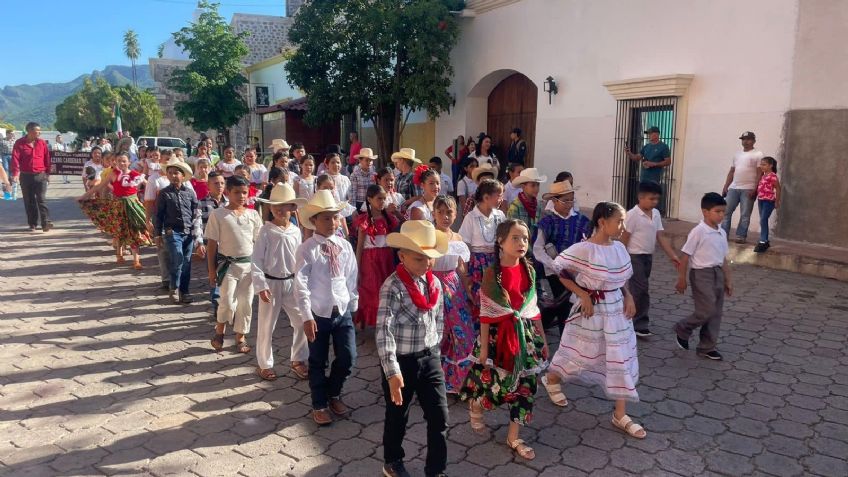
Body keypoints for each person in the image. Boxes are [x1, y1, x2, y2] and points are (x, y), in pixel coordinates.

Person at [546, 202, 644, 439]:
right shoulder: (584, 249)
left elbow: (622, 278)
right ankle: (551, 379)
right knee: (577, 353)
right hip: (591, 311)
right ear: (602, 222)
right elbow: (560, 268)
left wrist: (628, 296)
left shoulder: (619, 248)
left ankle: (620, 414)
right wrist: (582, 294)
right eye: (618, 221)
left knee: (620, 358)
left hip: (617, 312)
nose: (622, 226)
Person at [460, 219, 547, 461]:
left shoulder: (529, 269)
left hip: (525, 336)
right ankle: (478, 405)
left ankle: (514, 436)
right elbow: (487, 313)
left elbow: (532, 306)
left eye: (525, 239)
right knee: (498, 383)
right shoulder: (492, 274)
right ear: (501, 241)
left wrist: (542, 337)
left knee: (527, 386)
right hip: (499, 338)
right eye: (516, 238)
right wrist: (485, 348)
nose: (522, 243)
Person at [377, 220, 449, 477]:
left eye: (430, 258)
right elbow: (383, 331)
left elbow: (438, 319)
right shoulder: (392, 287)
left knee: (439, 417)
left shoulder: (434, 284)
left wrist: (435, 350)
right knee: (398, 415)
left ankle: (436, 470)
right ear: (402, 256)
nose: (427, 264)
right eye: (419, 258)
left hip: (429, 358)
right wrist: (392, 372)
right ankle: (392, 461)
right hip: (402, 362)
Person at [294, 190, 359, 425]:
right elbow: (300, 283)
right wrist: (306, 316)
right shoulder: (307, 249)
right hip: (318, 313)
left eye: (335, 217)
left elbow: (350, 276)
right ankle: (319, 404)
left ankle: (334, 392)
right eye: (326, 218)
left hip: (341, 311)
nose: (332, 223)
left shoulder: (344, 246)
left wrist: (352, 303)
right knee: (317, 361)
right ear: (314, 221)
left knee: (348, 357)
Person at [252, 183, 308, 381]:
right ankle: (265, 364)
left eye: (284, 205)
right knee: (267, 326)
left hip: (292, 283)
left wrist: (303, 282)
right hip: (271, 283)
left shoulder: (295, 230)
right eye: (275, 204)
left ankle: (298, 359)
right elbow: (256, 260)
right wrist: (260, 285)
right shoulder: (266, 231)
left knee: (302, 320)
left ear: (293, 207)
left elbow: (300, 258)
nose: (278, 208)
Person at [206, 175, 262, 354]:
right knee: (228, 301)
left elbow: (259, 243)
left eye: (244, 192)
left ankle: (240, 337)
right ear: (228, 192)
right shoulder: (218, 214)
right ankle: (219, 331)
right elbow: (212, 244)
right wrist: (211, 270)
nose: (241, 196)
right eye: (237, 192)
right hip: (227, 266)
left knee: (245, 303)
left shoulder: (253, 215)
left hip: (248, 267)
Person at [674, 192, 732, 361]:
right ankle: (683, 328)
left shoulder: (721, 232)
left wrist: (729, 279)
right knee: (706, 310)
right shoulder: (698, 232)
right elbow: (685, 256)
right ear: (705, 212)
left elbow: (724, 258)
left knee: (716, 313)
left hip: (718, 273)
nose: (721, 215)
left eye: (723, 212)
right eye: (717, 211)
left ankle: (707, 347)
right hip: (701, 274)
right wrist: (682, 279)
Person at [620, 181, 680, 338]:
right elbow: (624, 237)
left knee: (638, 290)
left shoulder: (656, 214)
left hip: (648, 256)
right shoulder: (632, 215)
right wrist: (620, 258)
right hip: (634, 256)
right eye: (652, 199)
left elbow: (660, 236)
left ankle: (627, 318)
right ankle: (639, 324)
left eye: (657, 199)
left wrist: (672, 255)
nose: (655, 202)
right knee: (641, 289)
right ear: (641, 197)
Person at [533, 181, 592, 332]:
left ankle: (541, 331)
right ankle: (556, 336)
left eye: (571, 199)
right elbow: (538, 249)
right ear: (554, 201)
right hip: (553, 272)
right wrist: (555, 265)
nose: (569, 204)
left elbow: (590, 243)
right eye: (565, 200)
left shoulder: (582, 221)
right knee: (561, 305)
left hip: (575, 271)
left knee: (563, 305)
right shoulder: (546, 222)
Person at [431, 196, 474, 394]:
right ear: (433, 214)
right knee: (440, 333)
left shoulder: (457, 238)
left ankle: (458, 380)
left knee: (462, 332)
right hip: (433, 288)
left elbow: (461, 268)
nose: (445, 216)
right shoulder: (429, 236)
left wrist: (469, 292)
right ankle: (434, 378)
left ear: (455, 215)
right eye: (440, 212)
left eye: (449, 212)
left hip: (454, 290)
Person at [154, 159, 204, 304]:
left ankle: (184, 291)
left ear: (183, 175)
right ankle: (173, 287)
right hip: (172, 231)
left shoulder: (190, 193)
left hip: (188, 232)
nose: (173, 175)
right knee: (178, 256)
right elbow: (159, 215)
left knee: (187, 262)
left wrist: (198, 235)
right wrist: (157, 234)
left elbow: (196, 212)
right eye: (170, 173)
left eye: (176, 173)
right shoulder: (164, 194)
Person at [353, 184, 399, 329]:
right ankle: (368, 320)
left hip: (386, 260)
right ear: (369, 199)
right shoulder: (365, 221)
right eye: (379, 199)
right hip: (370, 261)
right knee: (371, 291)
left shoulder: (389, 219)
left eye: (384, 199)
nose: (382, 202)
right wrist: (357, 268)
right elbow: (360, 246)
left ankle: (385, 322)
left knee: (386, 291)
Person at [458, 178, 505, 318]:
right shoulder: (471, 217)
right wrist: (465, 273)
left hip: (496, 261)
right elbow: (464, 246)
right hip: (478, 264)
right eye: (499, 195)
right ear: (486, 197)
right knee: (480, 300)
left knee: (498, 299)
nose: (501, 199)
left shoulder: (500, 215)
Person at [721, 131, 765, 244]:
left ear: (754, 141)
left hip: (749, 188)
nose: (745, 141)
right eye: (743, 139)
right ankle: (723, 235)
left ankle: (741, 236)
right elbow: (732, 171)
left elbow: (760, 173)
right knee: (726, 211)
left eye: (748, 139)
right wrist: (726, 186)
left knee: (745, 214)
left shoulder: (758, 154)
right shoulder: (737, 154)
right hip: (734, 187)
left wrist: (755, 188)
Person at [11, 122, 52, 232]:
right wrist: (15, 174)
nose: (39, 132)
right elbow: (15, 159)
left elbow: (47, 158)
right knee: (29, 201)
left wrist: (48, 174)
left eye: (40, 131)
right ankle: (32, 224)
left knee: (41, 199)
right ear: (29, 131)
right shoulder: (19, 143)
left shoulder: (42, 143)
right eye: (37, 131)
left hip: (41, 175)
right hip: (25, 176)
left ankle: (46, 223)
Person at [199, 171, 228, 319]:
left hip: (228, 246)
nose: (220, 186)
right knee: (213, 273)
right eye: (216, 183)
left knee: (226, 275)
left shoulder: (230, 203)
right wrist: (198, 243)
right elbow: (197, 224)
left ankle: (227, 304)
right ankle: (217, 304)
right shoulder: (201, 203)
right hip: (210, 245)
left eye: (222, 183)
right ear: (208, 185)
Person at [506, 168, 546, 240]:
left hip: (537, 245)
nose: (536, 188)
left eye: (538, 185)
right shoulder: (515, 206)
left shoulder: (539, 205)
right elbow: (513, 231)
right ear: (523, 186)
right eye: (533, 185)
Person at [754, 156, 780, 253]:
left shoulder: (772, 176)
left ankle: (763, 240)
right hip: (761, 200)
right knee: (763, 220)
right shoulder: (763, 175)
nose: (762, 166)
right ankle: (764, 240)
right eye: (761, 164)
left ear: (770, 166)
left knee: (763, 219)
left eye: (764, 164)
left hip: (768, 201)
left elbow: (778, 188)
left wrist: (777, 201)